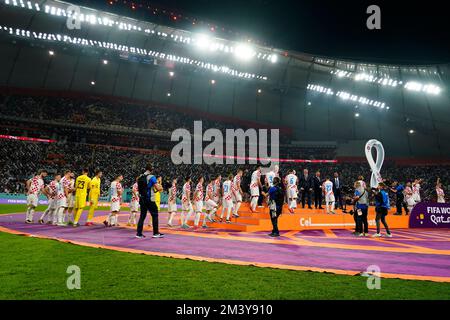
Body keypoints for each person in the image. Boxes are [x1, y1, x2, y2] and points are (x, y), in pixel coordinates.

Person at [136, 163, 163, 238]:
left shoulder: (140, 176)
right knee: (155, 215)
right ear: (151, 169)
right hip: (150, 199)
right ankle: (156, 233)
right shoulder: (152, 177)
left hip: (142, 199)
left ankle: (139, 233)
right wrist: (160, 188)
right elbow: (158, 188)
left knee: (142, 216)